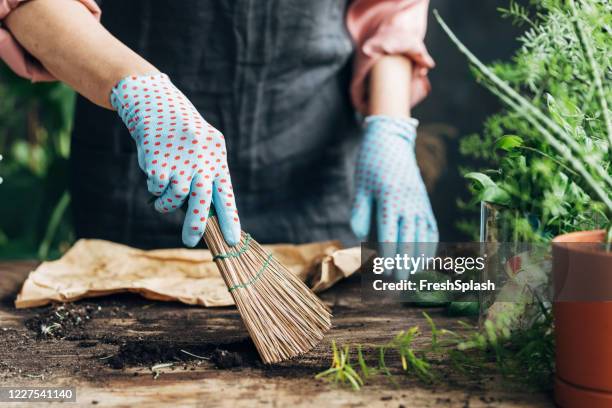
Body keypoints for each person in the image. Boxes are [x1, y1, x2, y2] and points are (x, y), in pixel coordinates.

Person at [0, 0, 438, 252]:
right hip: (142, 167)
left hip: (311, 172)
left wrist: (390, 125)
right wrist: (138, 90)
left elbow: (389, 12)